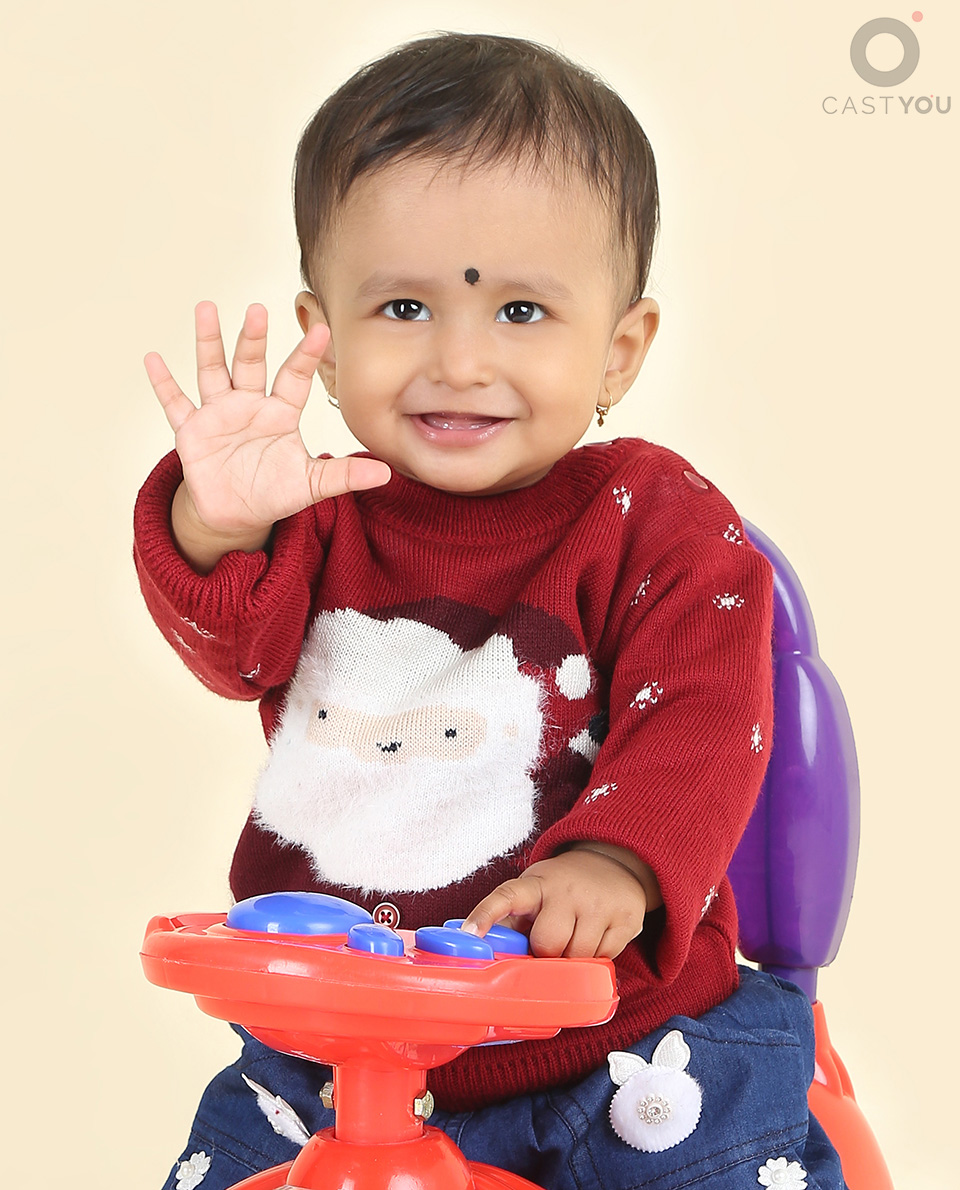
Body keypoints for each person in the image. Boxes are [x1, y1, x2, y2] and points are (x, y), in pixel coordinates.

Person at [135, 31, 845, 1190]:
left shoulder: (655, 521)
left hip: (615, 1045)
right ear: (324, 340)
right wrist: (219, 526)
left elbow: (708, 711)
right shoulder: (315, 514)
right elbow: (233, 653)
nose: (459, 360)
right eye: (403, 305)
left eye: (520, 310)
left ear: (619, 350)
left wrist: (616, 862)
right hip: (332, 1049)